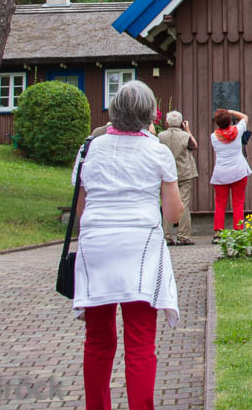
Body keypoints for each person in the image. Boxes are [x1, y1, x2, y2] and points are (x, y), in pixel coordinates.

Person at [73, 80, 185, 410]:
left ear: (113, 112)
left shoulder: (89, 149)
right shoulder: (157, 151)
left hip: (97, 245)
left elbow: (82, 209)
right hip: (140, 247)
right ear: (151, 114)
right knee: (139, 340)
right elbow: (173, 213)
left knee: (97, 340)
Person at [210, 107, 251, 243]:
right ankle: (238, 231)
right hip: (239, 171)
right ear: (229, 120)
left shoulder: (214, 137)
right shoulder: (238, 131)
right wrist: (232, 111)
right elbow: (245, 117)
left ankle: (218, 233)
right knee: (238, 203)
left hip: (221, 173)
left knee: (220, 204)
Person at [158, 111, 199, 245]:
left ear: (167, 123)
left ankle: (167, 236)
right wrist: (187, 130)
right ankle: (183, 236)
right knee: (184, 203)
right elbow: (194, 146)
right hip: (185, 173)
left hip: (167, 174)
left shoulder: (160, 136)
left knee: (166, 203)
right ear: (181, 123)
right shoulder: (185, 136)